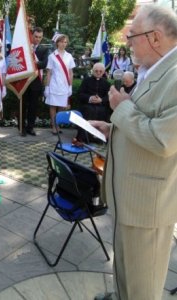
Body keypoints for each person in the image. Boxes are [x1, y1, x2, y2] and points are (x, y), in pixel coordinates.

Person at [91, 5, 177, 300]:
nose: (127, 41)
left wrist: (121, 108)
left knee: (143, 288)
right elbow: (145, 124)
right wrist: (111, 128)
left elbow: (163, 140)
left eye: (132, 35)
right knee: (125, 275)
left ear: (155, 37)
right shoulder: (154, 70)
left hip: (147, 207)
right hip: (130, 198)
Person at [20, 27, 49, 136]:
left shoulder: (44, 49)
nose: (37, 39)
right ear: (32, 35)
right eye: (36, 36)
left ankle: (30, 128)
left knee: (33, 106)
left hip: (36, 82)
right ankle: (21, 127)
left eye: (40, 37)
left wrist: (33, 57)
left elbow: (43, 64)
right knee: (23, 105)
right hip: (24, 80)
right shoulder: (24, 46)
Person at [44, 34, 75, 135]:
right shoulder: (52, 56)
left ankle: (58, 125)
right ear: (57, 43)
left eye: (65, 42)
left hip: (64, 85)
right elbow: (49, 72)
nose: (63, 44)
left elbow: (70, 72)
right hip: (54, 84)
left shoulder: (69, 56)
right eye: (61, 42)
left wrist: (70, 86)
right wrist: (47, 87)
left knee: (61, 107)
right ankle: (54, 126)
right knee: (53, 106)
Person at [76, 62, 111, 142]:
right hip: (87, 105)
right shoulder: (86, 81)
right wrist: (90, 98)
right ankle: (84, 137)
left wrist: (101, 100)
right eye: (96, 71)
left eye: (100, 71)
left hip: (101, 105)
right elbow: (80, 94)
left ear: (103, 72)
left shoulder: (106, 83)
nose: (98, 73)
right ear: (93, 71)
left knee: (102, 111)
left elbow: (109, 96)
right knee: (89, 110)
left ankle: (99, 138)